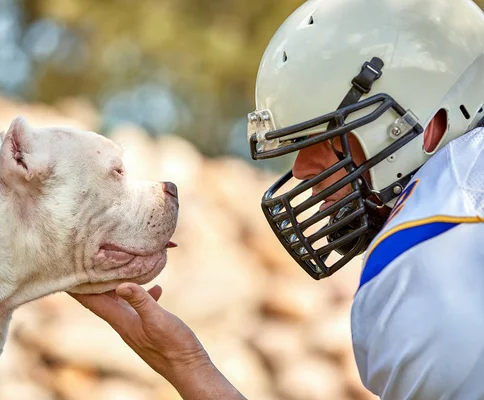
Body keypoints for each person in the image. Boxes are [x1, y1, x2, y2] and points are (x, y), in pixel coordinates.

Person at [71, 0, 484, 398]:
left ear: (432, 124)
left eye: (323, 138)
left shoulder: (426, 258)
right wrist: (187, 364)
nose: (302, 169)